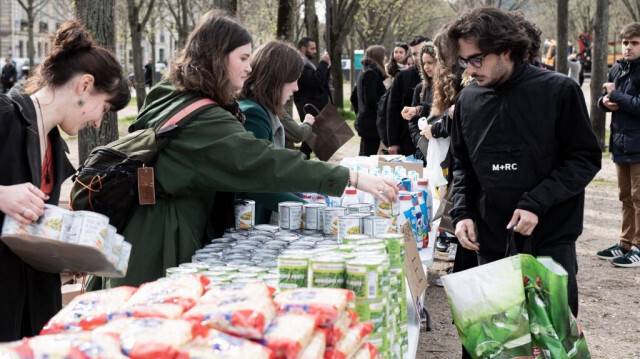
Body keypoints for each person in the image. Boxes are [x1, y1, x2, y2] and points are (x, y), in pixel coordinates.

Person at [107, 12, 398, 288]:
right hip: (165, 236)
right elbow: (267, 163)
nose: (249, 66)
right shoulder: (208, 119)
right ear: (217, 58)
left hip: (136, 226)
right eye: (243, 58)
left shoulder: (168, 92)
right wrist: (352, 178)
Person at [445, 7, 601, 317]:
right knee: (494, 341)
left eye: (477, 59)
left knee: (550, 339)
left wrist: (536, 203)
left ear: (505, 50)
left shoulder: (559, 91)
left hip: (549, 238)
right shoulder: (467, 99)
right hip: (489, 240)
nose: (470, 70)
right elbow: (462, 164)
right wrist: (461, 211)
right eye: (465, 61)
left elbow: (584, 158)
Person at [0, 20, 130, 340]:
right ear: (84, 86)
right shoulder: (4, 115)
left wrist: (63, 252)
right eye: (105, 108)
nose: (99, 122)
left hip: (35, 312)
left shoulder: (55, 146)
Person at [238, 40, 311, 223]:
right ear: (277, 78)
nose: (296, 87)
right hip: (250, 222)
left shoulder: (260, 108)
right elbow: (257, 181)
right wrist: (307, 209)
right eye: (293, 80)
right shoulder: (254, 114)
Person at [596, 22, 640, 268]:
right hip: (621, 142)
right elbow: (606, 99)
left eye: (634, 43)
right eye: (625, 43)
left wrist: (616, 96)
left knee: (639, 197)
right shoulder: (617, 68)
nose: (628, 47)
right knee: (625, 196)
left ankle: (639, 247)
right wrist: (605, 101)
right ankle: (625, 243)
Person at [386, 35, 428, 156]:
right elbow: (392, 110)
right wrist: (392, 142)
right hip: (407, 140)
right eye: (414, 54)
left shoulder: (440, 77)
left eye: (420, 52)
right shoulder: (403, 76)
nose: (417, 57)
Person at [293, 37, 332, 159]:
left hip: (315, 105)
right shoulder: (299, 64)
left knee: (314, 135)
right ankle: (302, 159)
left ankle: (304, 159)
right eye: (312, 48)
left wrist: (327, 67)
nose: (315, 51)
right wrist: (323, 63)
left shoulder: (307, 63)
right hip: (308, 106)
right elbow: (315, 81)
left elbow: (322, 82)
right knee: (311, 135)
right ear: (303, 49)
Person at [402, 42, 437, 157]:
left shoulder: (449, 87)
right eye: (424, 63)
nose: (426, 67)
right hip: (423, 151)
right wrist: (419, 140)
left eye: (430, 63)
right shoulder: (420, 88)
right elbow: (412, 121)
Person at [355, 45, 388, 156]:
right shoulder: (371, 74)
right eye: (384, 56)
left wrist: (359, 112)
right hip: (371, 124)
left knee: (364, 154)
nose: (386, 58)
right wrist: (385, 105)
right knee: (367, 156)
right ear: (378, 57)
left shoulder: (363, 72)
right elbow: (371, 99)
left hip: (366, 122)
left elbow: (353, 97)